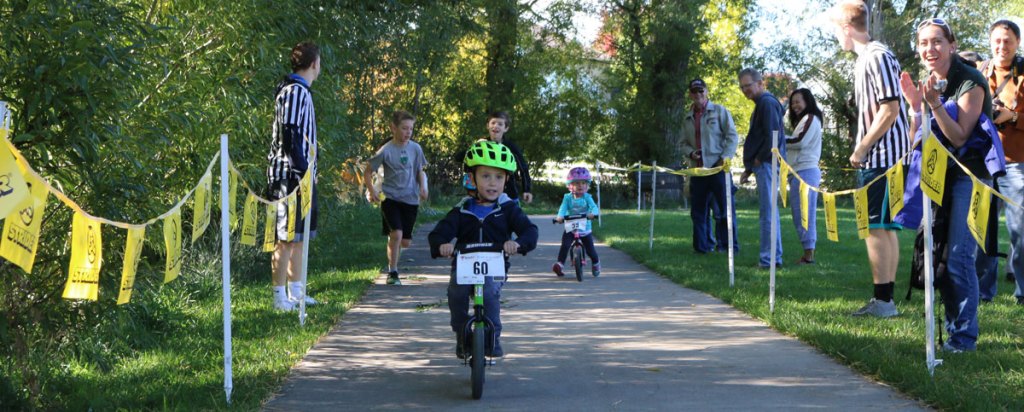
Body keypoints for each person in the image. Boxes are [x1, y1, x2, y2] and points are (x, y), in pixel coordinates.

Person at [900, 17, 1003, 352]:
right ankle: (952, 330)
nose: (930, 49)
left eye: (937, 41)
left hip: (970, 178)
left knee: (959, 257)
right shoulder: (932, 81)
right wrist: (916, 108)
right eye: (924, 43)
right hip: (937, 175)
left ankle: (963, 339)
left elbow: (959, 136)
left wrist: (930, 104)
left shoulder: (969, 80)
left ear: (952, 45)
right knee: (939, 255)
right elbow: (919, 137)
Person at [830, 0, 911, 317]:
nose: (837, 36)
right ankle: (885, 300)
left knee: (875, 227)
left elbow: (890, 109)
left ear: (847, 28)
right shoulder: (872, 57)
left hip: (881, 158)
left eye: (837, 30)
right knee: (884, 227)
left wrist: (861, 147)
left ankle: (883, 303)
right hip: (886, 157)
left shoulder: (875, 57)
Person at [428, 140, 538, 358]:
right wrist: (443, 245)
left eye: (499, 177)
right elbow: (439, 232)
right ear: (472, 178)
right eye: (485, 176)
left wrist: (517, 243)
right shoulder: (462, 210)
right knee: (456, 292)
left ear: (506, 180)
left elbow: (529, 230)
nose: (492, 183)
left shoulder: (507, 209)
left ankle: (493, 336)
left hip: (494, 265)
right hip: (464, 264)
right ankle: (461, 334)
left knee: (489, 293)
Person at [266, 42, 322, 311]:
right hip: (289, 177)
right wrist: (300, 172)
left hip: (302, 177)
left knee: (300, 237)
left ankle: (297, 292)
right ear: (314, 64)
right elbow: (289, 133)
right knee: (285, 237)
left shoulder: (302, 92)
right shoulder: (295, 92)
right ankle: (279, 298)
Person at [976, 19, 1024, 306]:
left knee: (1020, 231)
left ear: (1017, 43)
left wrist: (1013, 117)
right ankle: (983, 291)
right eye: (997, 40)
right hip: (983, 161)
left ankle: (1022, 292)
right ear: (990, 41)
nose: (1001, 46)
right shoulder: (979, 72)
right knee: (983, 229)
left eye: (1007, 40)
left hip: (1017, 162)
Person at [363, 110, 429, 286]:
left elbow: (419, 171)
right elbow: (368, 172)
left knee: (405, 242)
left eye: (411, 129)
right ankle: (393, 272)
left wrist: (423, 187)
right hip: (390, 198)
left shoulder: (415, 149)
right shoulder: (385, 151)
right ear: (393, 128)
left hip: (410, 199)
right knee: (397, 234)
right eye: (404, 128)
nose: (408, 132)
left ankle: (394, 241)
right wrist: (373, 191)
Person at [680, 78, 739, 254]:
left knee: (724, 211)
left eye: (701, 91)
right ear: (690, 94)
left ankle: (728, 246)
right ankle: (701, 248)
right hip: (698, 170)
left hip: (718, 168)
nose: (698, 95)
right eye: (694, 92)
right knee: (698, 212)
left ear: (706, 92)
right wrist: (691, 153)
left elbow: (732, 136)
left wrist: (725, 157)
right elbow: (682, 143)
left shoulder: (720, 111)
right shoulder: (687, 117)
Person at [737, 68, 785, 268]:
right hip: (762, 164)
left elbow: (772, 135)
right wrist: (749, 168)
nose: (744, 90)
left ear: (760, 84)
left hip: (767, 164)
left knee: (767, 213)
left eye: (747, 85)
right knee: (769, 212)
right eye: (742, 87)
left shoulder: (766, 102)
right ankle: (775, 257)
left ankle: (768, 259)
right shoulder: (762, 104)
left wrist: (759, 158)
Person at [785, 88, 824, 265]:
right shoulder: (804, 121)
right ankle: (807, 253)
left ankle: (809, 256)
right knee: (799, 213)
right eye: (792, 103)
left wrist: (778, 139)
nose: (795, 106)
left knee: (804, 214)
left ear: (807, 101)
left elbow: (799, 141)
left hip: (805, 172)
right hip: (799, 172)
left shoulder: (810, 119)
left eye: (798, 101)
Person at [553, 167, 602, 277]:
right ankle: (560, 264)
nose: (580, 185)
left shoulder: (587, 197)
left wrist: (593, 214)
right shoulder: (567, 198)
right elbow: (563, 208)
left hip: (585, 226)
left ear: (587, 185)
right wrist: (560, 217)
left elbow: (594, 207)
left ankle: (596, 263)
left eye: (583, 183)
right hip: (571, 225)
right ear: (570, 185)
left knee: (590, 250)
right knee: (565, 245)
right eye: (577, 183)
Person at [484, 111, 533, 204]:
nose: (496, 126)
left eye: (500, 124)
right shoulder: (480, 145)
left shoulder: (511, 147)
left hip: (509, 194)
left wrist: (527, 190)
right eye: (493, 123)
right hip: (486, 193)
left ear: (505, 128)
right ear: (488, 126)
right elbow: (461, 157)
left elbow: (523, 168)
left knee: (515, 218)